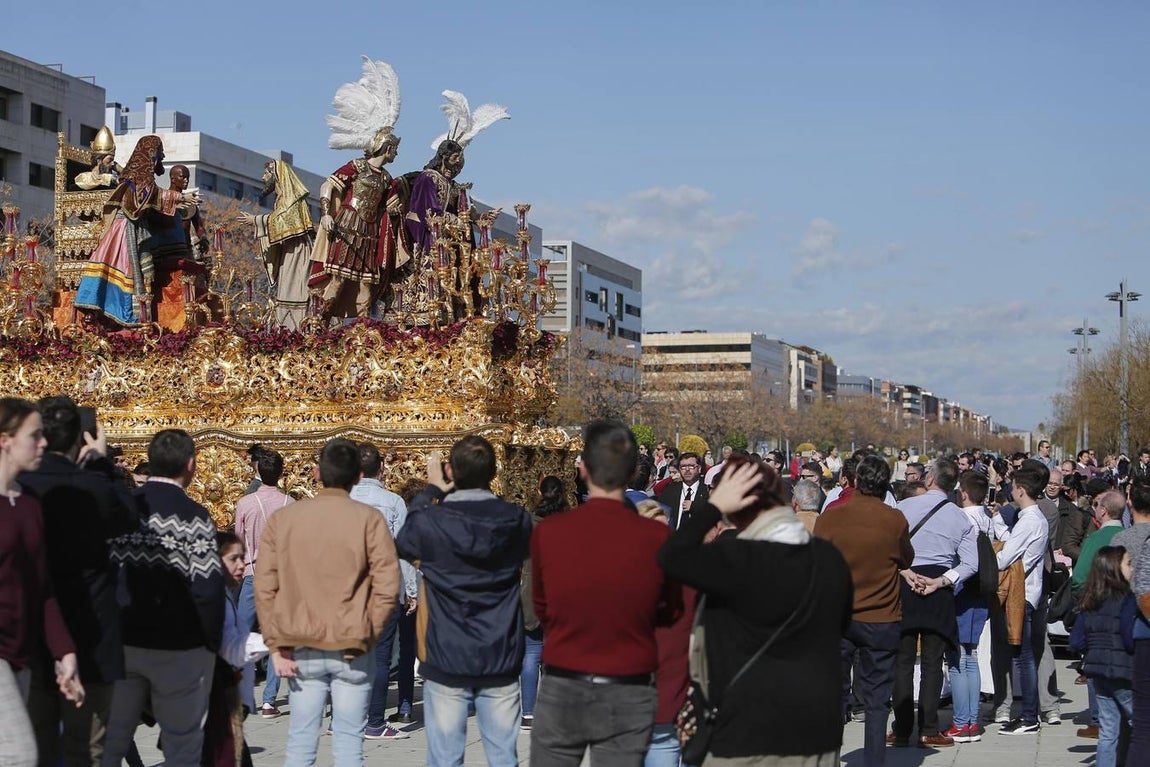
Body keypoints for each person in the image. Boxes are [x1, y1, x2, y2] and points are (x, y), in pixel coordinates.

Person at [659, 457, 852, 764]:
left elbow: (671, 557)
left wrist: (709, 508)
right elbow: (840, 626)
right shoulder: (829, 558)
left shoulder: (734, 558)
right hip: (814, 728)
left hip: (746, 729)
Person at [530, 419, 681, 767]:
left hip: (566, 678)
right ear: (632, 472)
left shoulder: (550, 533)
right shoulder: (655, 537)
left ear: (582, 468)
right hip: (628, 682)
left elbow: (543, 607)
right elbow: (668, 607)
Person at [255, 438, 400, 767]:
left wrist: (276, 643)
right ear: (359, 477)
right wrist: (370, 631)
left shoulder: (285, 519)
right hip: (352, 642)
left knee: (302, 738)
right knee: (349, 740)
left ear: (317, 473)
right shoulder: (369, 520)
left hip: (300, 643)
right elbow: (388, 585)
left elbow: (266, 584)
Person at [395, 436, 533, 767]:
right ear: (493, 471)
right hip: (499, 649)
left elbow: (404, 541)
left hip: (447, 653)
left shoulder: (431, 519)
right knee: (502, 755)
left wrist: (431, 492)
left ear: (450, 472)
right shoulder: (515, 519)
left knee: (445, 757)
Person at [20, 397, 136, 767]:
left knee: (37, 743)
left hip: (35, 631)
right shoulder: (94, 486)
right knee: (86, 748)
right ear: (81, 439)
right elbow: (130, 517)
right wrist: (101, 463)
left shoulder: (22, 486)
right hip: (92, 631)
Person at [102, 429, 224, 767]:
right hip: (178, 645)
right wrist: (211, 643)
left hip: (125, 641)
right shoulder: (194, 517)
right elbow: (208, 589)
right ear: (190, 464)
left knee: (111, 740)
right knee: (182, 744)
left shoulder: (127, 508)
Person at [0, 398, 85, 767]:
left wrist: (63, 650)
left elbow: (42, 584)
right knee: (20, 755)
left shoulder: (29, 502)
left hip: (20, 652)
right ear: (5, 440)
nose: (44, 444)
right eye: (34, 436)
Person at [814, 455, 913, 767]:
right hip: (881, 617)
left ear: (854, 480)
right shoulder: (894, 519)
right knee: (876, 699)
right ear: (885, 485)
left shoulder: (830, 517)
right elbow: (906, 558)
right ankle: (873, 761)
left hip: (838, 615)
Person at [891, 457, 978, 747]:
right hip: (938, 587)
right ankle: (928, 728)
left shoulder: (902, 507)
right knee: (932, 662)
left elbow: (888, 548)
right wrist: (943, 580)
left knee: (902, 662)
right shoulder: (959, 516)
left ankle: (901, 729)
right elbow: (971, 563)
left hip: (906, 581)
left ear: (929, 479)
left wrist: (906, 572)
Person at [309, 58, 405, 320]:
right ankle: (321, 323)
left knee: (367, 283)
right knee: (338, 280)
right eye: (394, 148)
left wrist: (394, 211)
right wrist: (327, 213)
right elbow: (328, 185)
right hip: (347, 225)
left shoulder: (388, 179)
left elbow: (392, 207)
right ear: (385, 147)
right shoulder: (357, 166)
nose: (396, 153)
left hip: (370, 231)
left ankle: (364, 329)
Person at [75, 136, 203, 328]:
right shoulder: (139, 175)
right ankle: (125, 313)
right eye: (158, 155)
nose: (160, 159)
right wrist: (181, 197)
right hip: (125, 229)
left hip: (131, 226)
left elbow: (152, 194)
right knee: (127, 267)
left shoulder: (138, 174)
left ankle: (126, 313)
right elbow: (151, 195)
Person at [351, 443, 415, 740]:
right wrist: (410, 590)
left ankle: (344, 717)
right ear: (382, 468)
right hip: (383, 586)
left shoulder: (344, 499)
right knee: (380, 656)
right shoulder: (393, 502)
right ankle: (375, 721)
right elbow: (403, 551)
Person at [233, 448, 292, 718]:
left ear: (258, 471)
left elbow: (239, 542)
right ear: (280, 474)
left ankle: (239, 693)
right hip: (279, 577)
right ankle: (270, 700)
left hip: (252, 574)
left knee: (241, 635)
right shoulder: (290, 504)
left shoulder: (245, 505)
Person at [994, 459, 1051, 735]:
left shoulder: (1029, 520)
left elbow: (1005, 558)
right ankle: (1029, 714)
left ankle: (1029, 716)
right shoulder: (1032, 518)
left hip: (1022, 594)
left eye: (1014, 486)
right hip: (1029, 591)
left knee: (1023, 656)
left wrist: (997, 538)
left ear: (1020, 490)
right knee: (1023, 654)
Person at [1069, 547, 1137, 767]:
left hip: (1098, 674)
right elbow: (1129, 638)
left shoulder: (1090, 601)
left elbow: (1076, 641)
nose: (1132, 568)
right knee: (1141, 722)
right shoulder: (1128, 600)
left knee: (1108, 731)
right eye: (1128, 563)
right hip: (1123, 671)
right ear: (1114, 570)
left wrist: (1094, 648)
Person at [202, 531, 266, 767]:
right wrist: (274, 642)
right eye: (233, 559)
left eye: (243, 558)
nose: (241, 565)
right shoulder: (217, 599)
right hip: (220, 699)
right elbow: (231, 647)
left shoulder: (225, 595)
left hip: (229, 701)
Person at [944, 470, 994, 743]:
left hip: (962, 591)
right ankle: (972, 721)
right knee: (971, 657)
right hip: (981, 593)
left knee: (957, 659)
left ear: (963, 493)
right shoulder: (988, 518)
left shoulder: (962, 519)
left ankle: (961, 722)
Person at [240, 160, 315, 329]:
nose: (263, 177)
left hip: (298, 252)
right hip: (288, 251)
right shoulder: (281, 200)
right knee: (286, 289)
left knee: (294, 289)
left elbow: (285, 222)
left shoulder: (293, 200)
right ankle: (286, 328)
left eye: (266, 174)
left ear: (276, 175)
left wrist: (256, 220)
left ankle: (295, 328)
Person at [521, 476, 568, 732]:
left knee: (531, 653)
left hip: (531, 590)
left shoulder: (528, 522)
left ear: (538, 492)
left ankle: (528, 713)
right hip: (558, 593)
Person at [655, 452, 708, 529]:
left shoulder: (707, 491)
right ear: (679, 470)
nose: (687, 470)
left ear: (699, 469)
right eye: (683, 467)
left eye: (691, 466)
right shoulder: (670, 490)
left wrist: (694, 507)